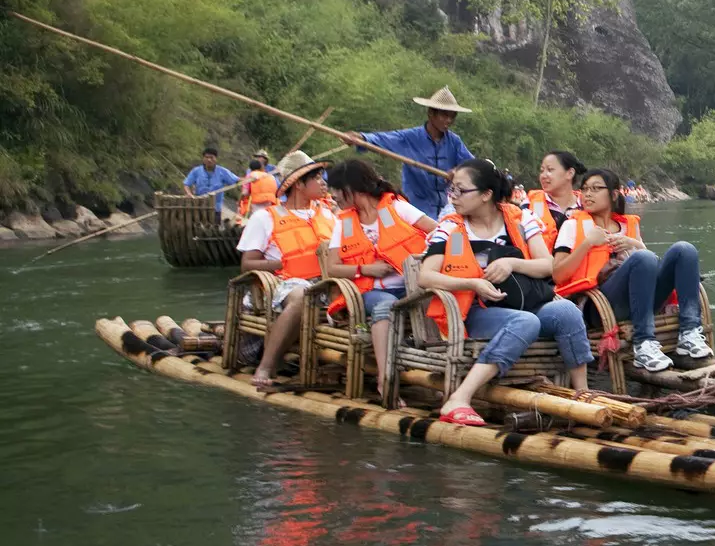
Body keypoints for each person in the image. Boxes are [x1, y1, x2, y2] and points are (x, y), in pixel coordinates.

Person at [419, 158, 593, 426]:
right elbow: (425, 276)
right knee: (526, 321)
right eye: (451, 190)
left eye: (460, 190)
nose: (452, 197)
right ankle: (460, 398)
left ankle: (582, 394)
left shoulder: (520, 218)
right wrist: (472, 283)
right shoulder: (451, 227)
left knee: (566, 311)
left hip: (523, 302)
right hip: (476, 310)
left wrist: (512, 263)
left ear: (486, 194)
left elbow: (548, 265)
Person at [554, 167, 711, 372]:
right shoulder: (572, 226)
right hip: (599, 305)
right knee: (642, 258)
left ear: (614, 194)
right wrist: (587, 244)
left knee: (684, 250)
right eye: (584, 189)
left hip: (641, 299)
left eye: (595, 188)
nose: (587, 194)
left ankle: (689, 332)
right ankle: (643, 343)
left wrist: (635, 244)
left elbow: (650, 264)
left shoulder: (628, 226)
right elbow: (557, 274)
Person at [323, 157, 434, 405]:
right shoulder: (344, 223)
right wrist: (366, 269)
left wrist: (424, 259)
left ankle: (437, 373)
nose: (333, 196)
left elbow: (438, 232)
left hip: (410, 287)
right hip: (370, 291)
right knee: (385, 305)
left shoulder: (398, 209)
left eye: (337, 190)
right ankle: (386, 379)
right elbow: (332, 267)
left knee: (437, 298)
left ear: (352, 188)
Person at [240, 151, 338, 392]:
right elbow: (247, 264)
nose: (323, 182)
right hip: (283, 284)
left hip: (327, 284)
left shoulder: (329, 215)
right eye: (316, 177)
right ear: (299, 185)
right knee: (302, 296)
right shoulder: (265, 217)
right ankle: (266, 365)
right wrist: (283, 264)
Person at [343, 86, 472, 217]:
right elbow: (383, 139)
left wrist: (458, 171)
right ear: (431, 113)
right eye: (444, 115)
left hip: (445, 211)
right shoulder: (410, 138)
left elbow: (474, 166)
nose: (449, 121)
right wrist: (360, 138)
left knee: (455, 236)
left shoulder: (454, 142)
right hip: (415, 211)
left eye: (452, 116)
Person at [526, 149, 584, 253]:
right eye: (542, 170)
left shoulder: (587, 205)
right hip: (540, 266)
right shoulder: (529, 203)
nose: (543, 175)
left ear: (570, 173)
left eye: (550, 170)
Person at [183, 146, 239, 210]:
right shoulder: (196, 171)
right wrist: (189, 194)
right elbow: (186, 184)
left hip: (215, 208)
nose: (209, 160)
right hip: (199, 206)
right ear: (203, 159)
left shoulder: (223, 172)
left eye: (211, 157)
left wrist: (250, 177)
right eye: (206, 157)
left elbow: (236, 180)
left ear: (216, 159)